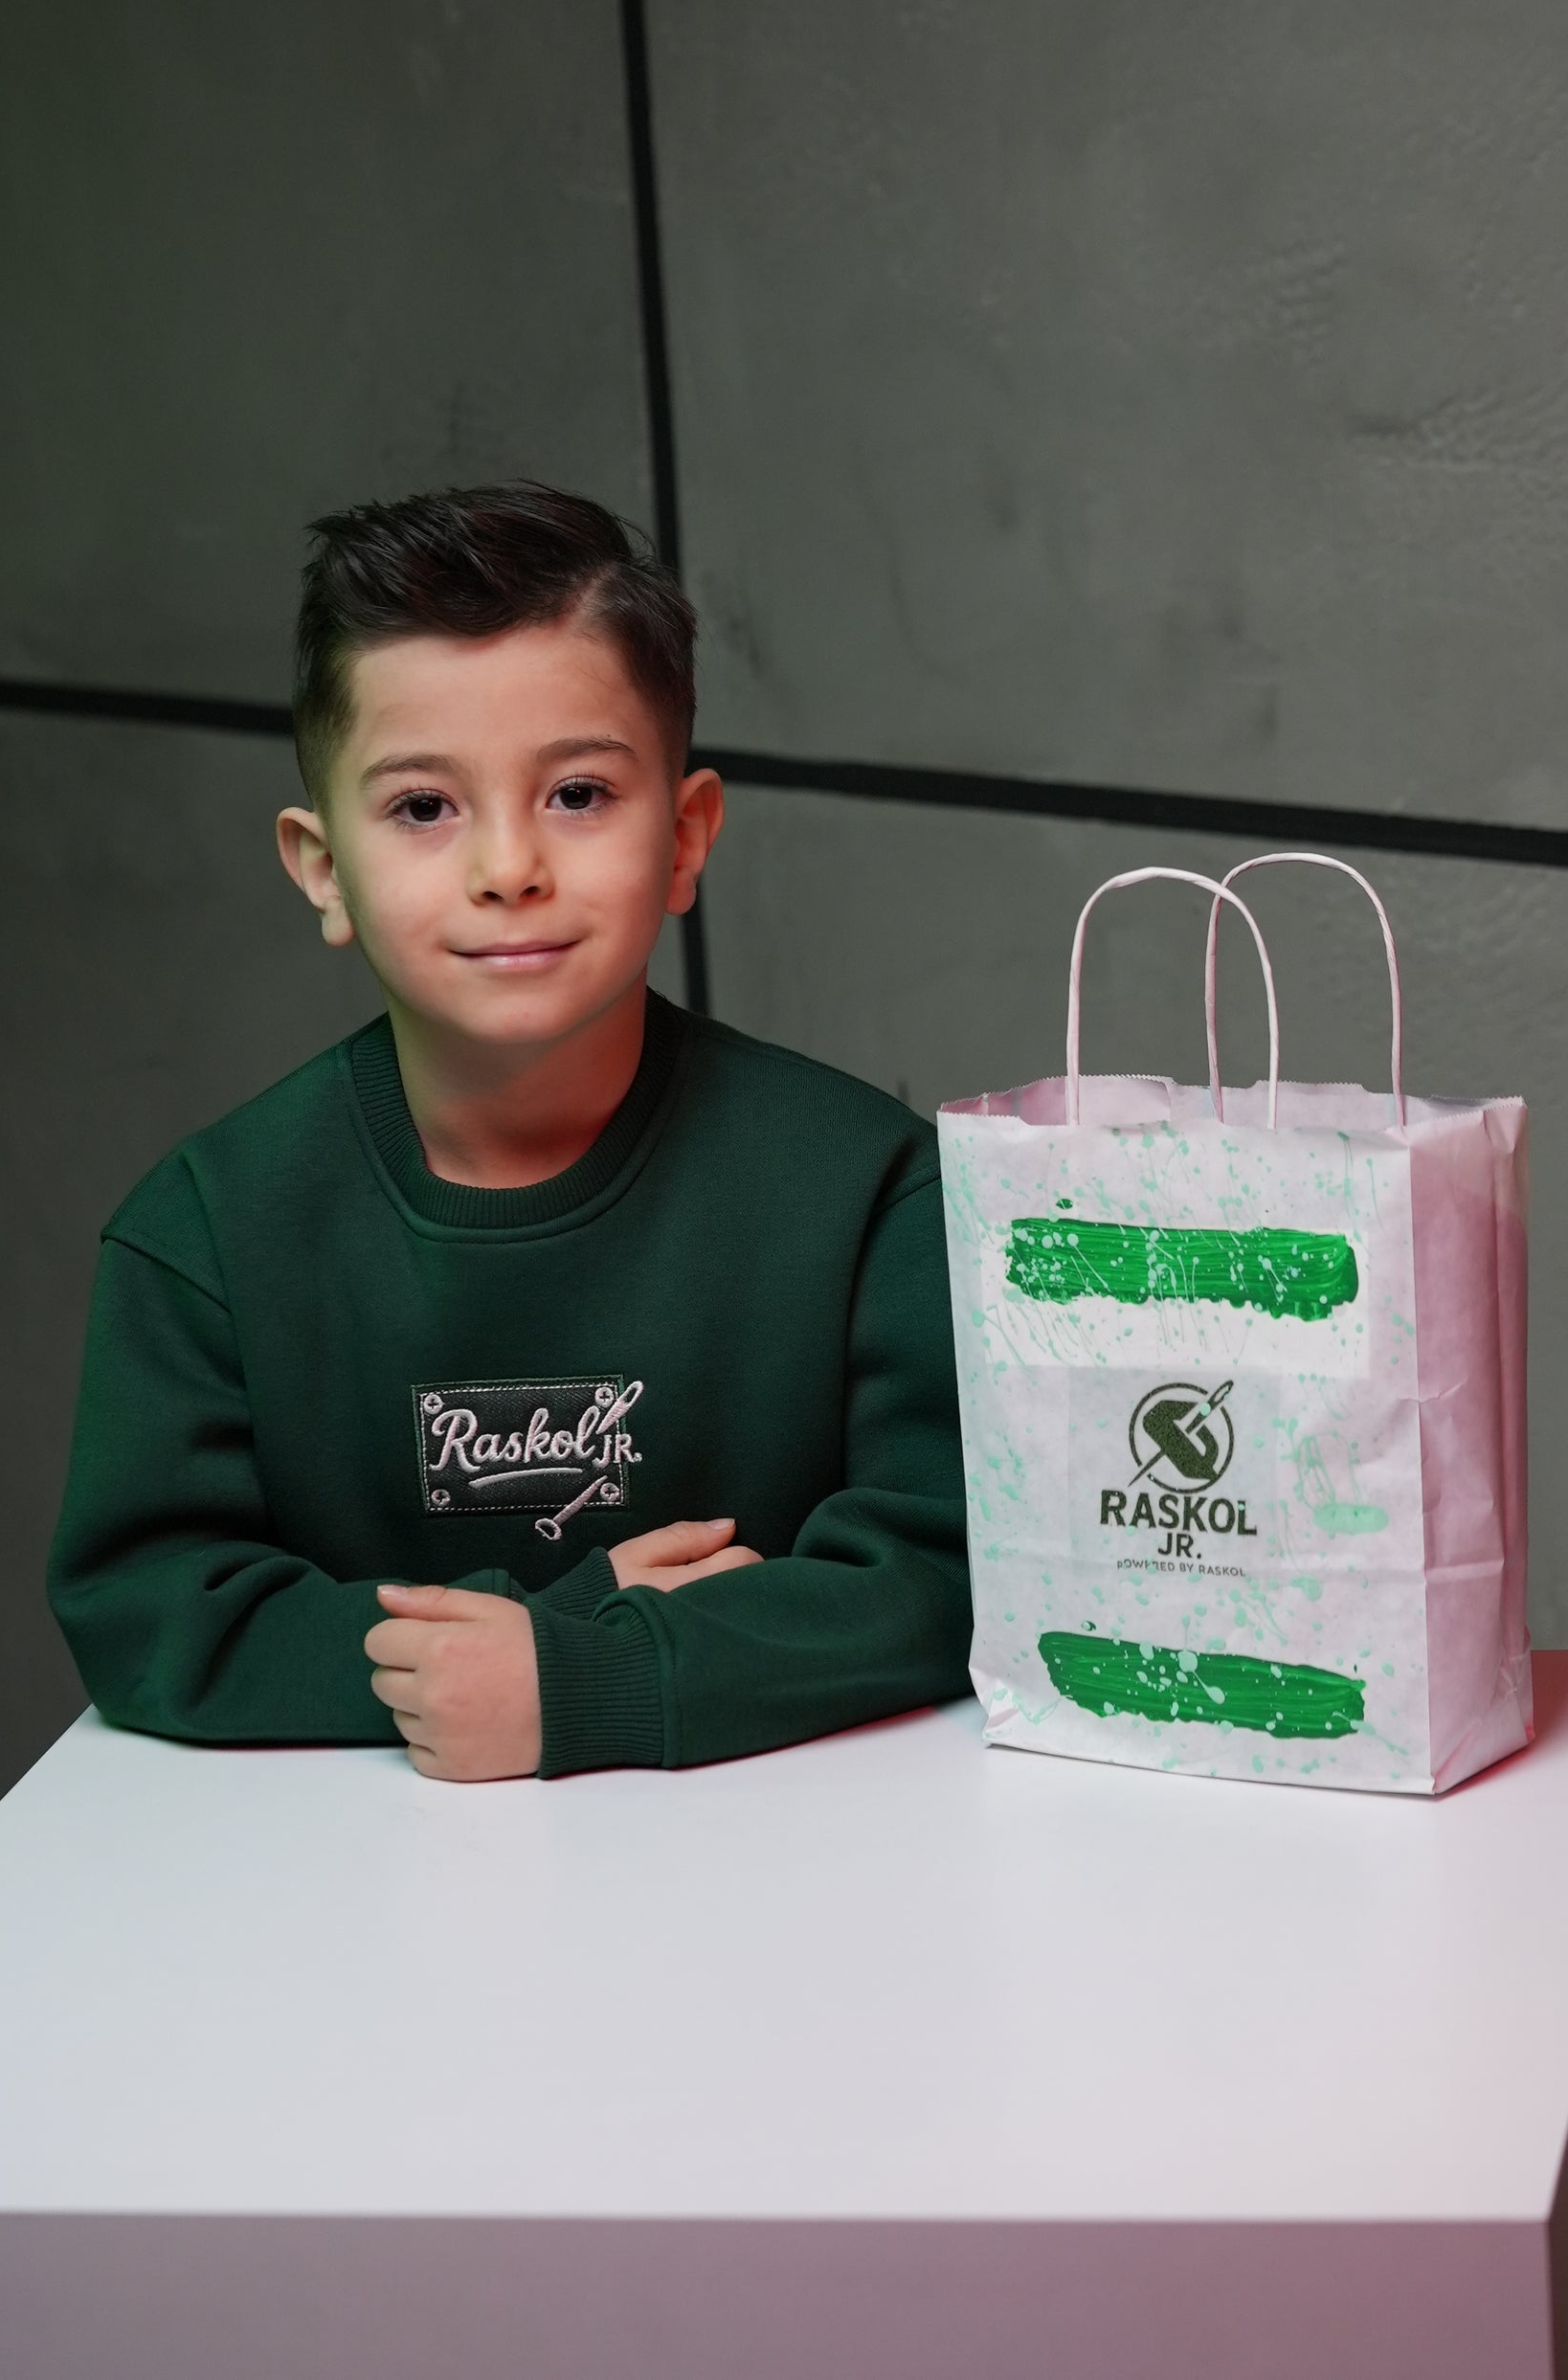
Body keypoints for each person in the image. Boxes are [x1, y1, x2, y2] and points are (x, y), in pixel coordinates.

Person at [47, 481, 972, 1781]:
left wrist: (584, 1677)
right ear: (324, 868)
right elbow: (148, 1610)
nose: (507, 869)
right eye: (423, 808)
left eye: (578, 794)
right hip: (340, 1878)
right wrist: (549, 1634)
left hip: (779, 1863)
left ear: (685, 836)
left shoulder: (868, 1189)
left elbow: (945, 1571)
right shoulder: (206, 1230)